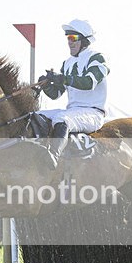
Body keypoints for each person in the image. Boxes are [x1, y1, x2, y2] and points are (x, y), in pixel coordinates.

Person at [37, 19, 109, 168]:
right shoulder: (67, 63)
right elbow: (56, 94)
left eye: (73, 38)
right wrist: (47, 84)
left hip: (92, 113)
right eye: (68, 38)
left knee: (62, 119)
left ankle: (53, 157)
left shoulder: (97, 58)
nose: (69, 42)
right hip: (73, 112)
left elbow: (89, 83)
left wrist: (62, 78)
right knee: (36, 115)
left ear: (85, 40)